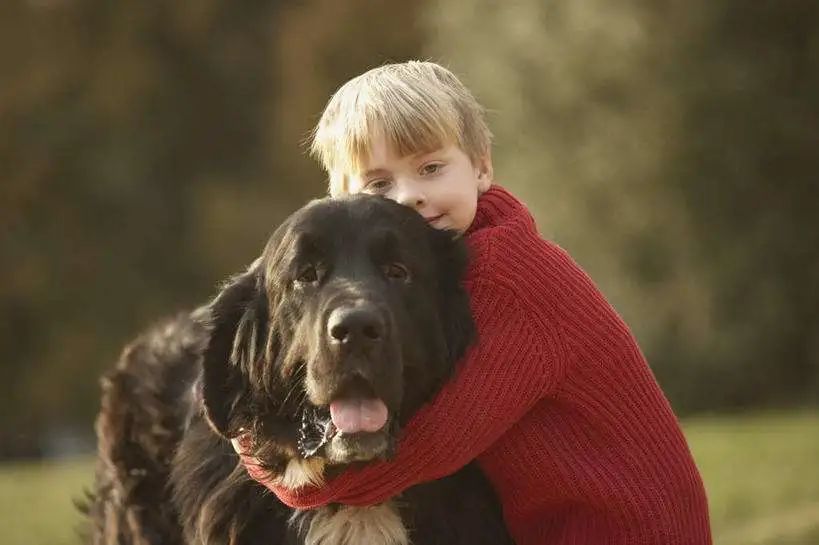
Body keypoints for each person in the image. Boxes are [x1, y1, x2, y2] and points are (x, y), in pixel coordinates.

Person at [233, 61, 712, 544]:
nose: (409, 197)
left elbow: (431, 445)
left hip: (626, 529)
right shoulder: (466, 257)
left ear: (482, 166)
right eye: (379, 184)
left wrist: (267, 462)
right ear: (342, 196)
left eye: (430, 168)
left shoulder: (508, 282)